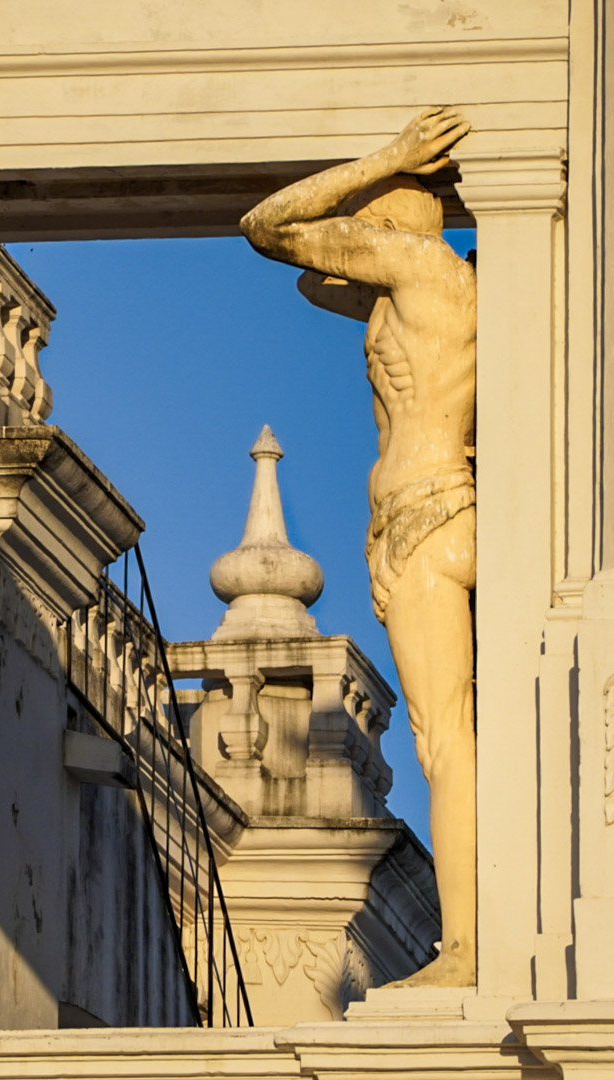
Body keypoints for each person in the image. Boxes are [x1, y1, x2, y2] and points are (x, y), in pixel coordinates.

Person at [239, 107, 478, 986]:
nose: (360, 223)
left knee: (447, 743)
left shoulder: (416, 265)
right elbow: (315, 279)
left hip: (422, 513)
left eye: (375, 206)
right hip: (435, 512)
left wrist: (386, 158)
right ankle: (475, 940)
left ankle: (469, 951)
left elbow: (270, 228)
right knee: (460, 735)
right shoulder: (443, 287)